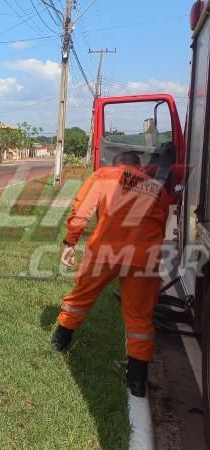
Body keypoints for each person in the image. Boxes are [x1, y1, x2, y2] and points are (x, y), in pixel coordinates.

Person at [51, 151, 170, 398]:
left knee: (80, 298)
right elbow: (161, 225)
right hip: (144, 256)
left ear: (116, 164)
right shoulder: (156, 187)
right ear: (139, 167)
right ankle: (137, 382)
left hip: (105, 250)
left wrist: (70, 242)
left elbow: (82, 211)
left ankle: (58, 342)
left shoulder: (104, 175)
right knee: (139, 318)